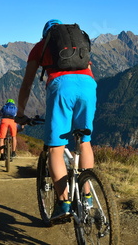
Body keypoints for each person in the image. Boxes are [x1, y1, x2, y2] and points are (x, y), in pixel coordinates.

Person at [16, 19, 97, 221]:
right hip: (89, 86)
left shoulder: (40, 47)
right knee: (84, 142)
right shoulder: (79, 44)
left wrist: (20, 113)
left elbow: (26, 85)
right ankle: (87, 197)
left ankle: (64, 203)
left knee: (55, 149)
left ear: (46, 35)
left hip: (61, 88)